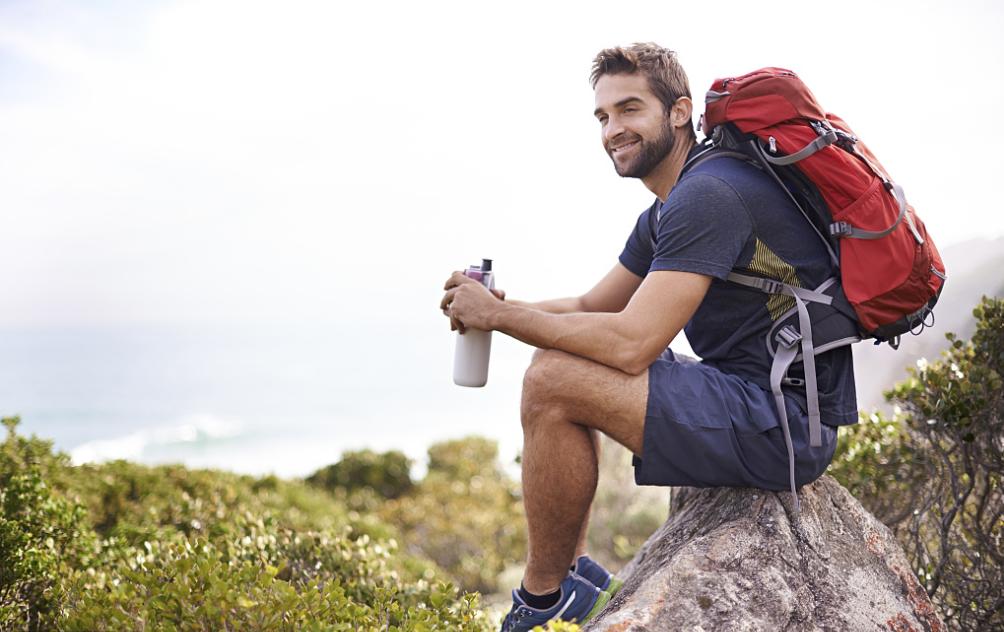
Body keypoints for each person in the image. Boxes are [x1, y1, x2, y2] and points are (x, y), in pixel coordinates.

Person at [439, 43, 857, 631]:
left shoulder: (708, 196)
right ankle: (574, 576)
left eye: (630, 109)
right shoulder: (669, 207)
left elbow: (632, 343)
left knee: (554, 379)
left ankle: (541, 602)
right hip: (755, 402)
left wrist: (499, 320)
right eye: (603, 116)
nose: (614, 129)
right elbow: (591, 307)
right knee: (557, 353)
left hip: (784, 426)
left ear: (680, 112)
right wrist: (498, 308)